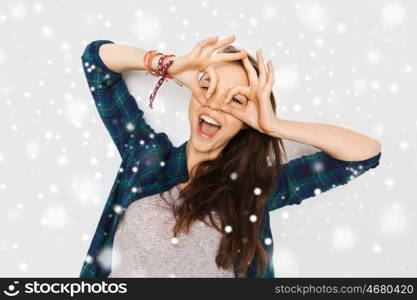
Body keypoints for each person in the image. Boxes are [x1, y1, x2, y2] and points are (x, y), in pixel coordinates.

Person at [79, 35, 382, 278]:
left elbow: (363, 155)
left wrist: (272, 125)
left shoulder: (253, 187)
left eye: (236, 101)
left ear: (246, 122)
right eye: (208, 88)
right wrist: (173, 67)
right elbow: (96, 61)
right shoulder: (147, 158)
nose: (216, 105)